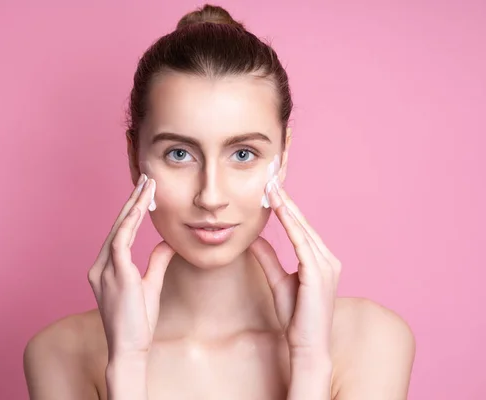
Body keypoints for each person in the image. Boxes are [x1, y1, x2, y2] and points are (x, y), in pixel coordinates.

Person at [23, 4, 415, 399]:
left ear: (283, 157)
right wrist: (126, 362)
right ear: (133, 156)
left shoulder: (371, 340)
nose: (211, 197)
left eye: (243, 154)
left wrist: (311, 357)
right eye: (179, 153)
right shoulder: (61, 353)